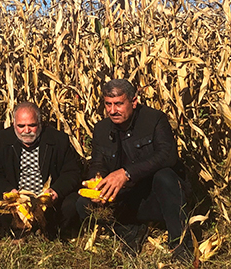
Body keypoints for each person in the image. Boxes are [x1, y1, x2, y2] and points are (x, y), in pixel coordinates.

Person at [76, 79, 191, 257]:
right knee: (82, 204)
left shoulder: (154, 119)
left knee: (165, 176)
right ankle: (127, 230)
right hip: (124, 197)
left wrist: (127, 174)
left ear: (134, 101)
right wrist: (97, 181)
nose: (112, 110)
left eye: (118, 104)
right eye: (108, 104)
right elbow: (98, 163)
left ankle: (180, 243)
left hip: (156, 196)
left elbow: (167, 155)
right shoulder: (101, 129)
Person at [0, 102, 82, 238]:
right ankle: (19, 232)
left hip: (46, 199)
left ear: (40, 123)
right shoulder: (1, 140)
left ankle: (54, 232)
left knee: (71, 204)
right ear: (13, 124)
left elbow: (72, 172)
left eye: (32, 125)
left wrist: (56, 191)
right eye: (21, 126)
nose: (26, 131)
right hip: (17, 198)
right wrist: (8, 190)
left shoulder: (58, 140)